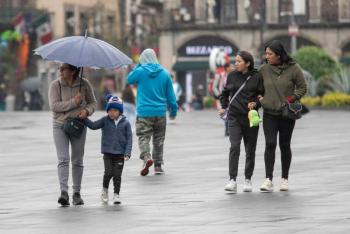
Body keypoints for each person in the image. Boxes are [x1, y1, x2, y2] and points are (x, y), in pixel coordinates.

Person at [258, 40, 307, 192]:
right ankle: (268, 179)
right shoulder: (263, 69)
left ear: (278, 55)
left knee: (284, 145)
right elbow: (257, 88)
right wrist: (260, 99)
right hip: (269, 114)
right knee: (270, 144)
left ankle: (284, 179)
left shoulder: (294, 68)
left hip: (287, 114)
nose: (267, 57)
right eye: (266, 54)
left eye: (270, 54)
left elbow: (303, 87)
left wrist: (292, 98)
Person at [48, 63, 97, 206]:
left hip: (78, 125)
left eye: (64, 69)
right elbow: (54, 106)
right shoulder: (55, 85)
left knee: (77, 160)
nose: (60, 71)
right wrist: (74, 102)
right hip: (60, 125)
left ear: (74, 71)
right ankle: (64, 192)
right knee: (63, 159)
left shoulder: (85, 84)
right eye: (60, 68)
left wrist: (87, 111)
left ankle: (77, 193)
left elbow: (93, 103)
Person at [127, 48, 178, 176]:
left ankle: (146, 157)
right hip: (160, 112)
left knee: (144, 137)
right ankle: (158, 166)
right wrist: (173, 111)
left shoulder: (140, 71)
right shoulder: (165, 73)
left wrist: (139, 65)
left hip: (144, 111)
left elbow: (129, 79)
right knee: (159, 139)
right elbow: (171, 96)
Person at [219, 51, 264, 193]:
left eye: (239, 61)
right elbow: (225, 93)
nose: (235, 64)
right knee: (234, 147)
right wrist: (224, 106)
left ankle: (248, 179)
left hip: (251, 117)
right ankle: (232, 179)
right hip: (234, 117)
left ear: (247, 63)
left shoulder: (257, 77)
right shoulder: (232, 76)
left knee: (250, 150)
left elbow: (262, 95)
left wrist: (256, 103)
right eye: (235, 61)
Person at [84, 94, 132, 205]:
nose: (112, 112)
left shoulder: (126, 123)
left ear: (120, 111)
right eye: (109, 110)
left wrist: (127, 153)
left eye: (115, 110)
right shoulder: (105, 120)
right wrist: (84, 118)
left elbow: (129, 139)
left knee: (117, 176)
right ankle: (105, 191)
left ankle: (116, 195)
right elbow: (93, 125)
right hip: (108, 154)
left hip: (120, 154)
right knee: (108, 173)